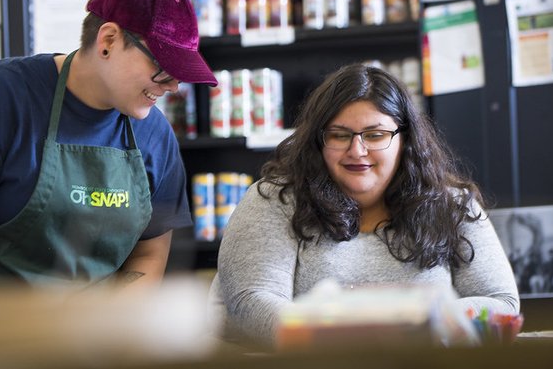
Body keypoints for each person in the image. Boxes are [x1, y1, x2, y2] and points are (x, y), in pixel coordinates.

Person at [0, 0, 217, 301]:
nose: (172, 87)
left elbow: (148, 255)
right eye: (164, 68)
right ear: (108, 40)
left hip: (73, 342)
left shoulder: (156, 137)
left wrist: (108, 334)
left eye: (180, 75)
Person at [210, 63, 519, 346]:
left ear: (405, 139)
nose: (357, 150)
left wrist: (426, 318)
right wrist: (349, 334)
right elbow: (250, 302)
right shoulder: (275, 199)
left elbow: (502, 303)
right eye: (339, 135)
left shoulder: (451, 205)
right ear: (318, 140)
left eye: (375, 134)